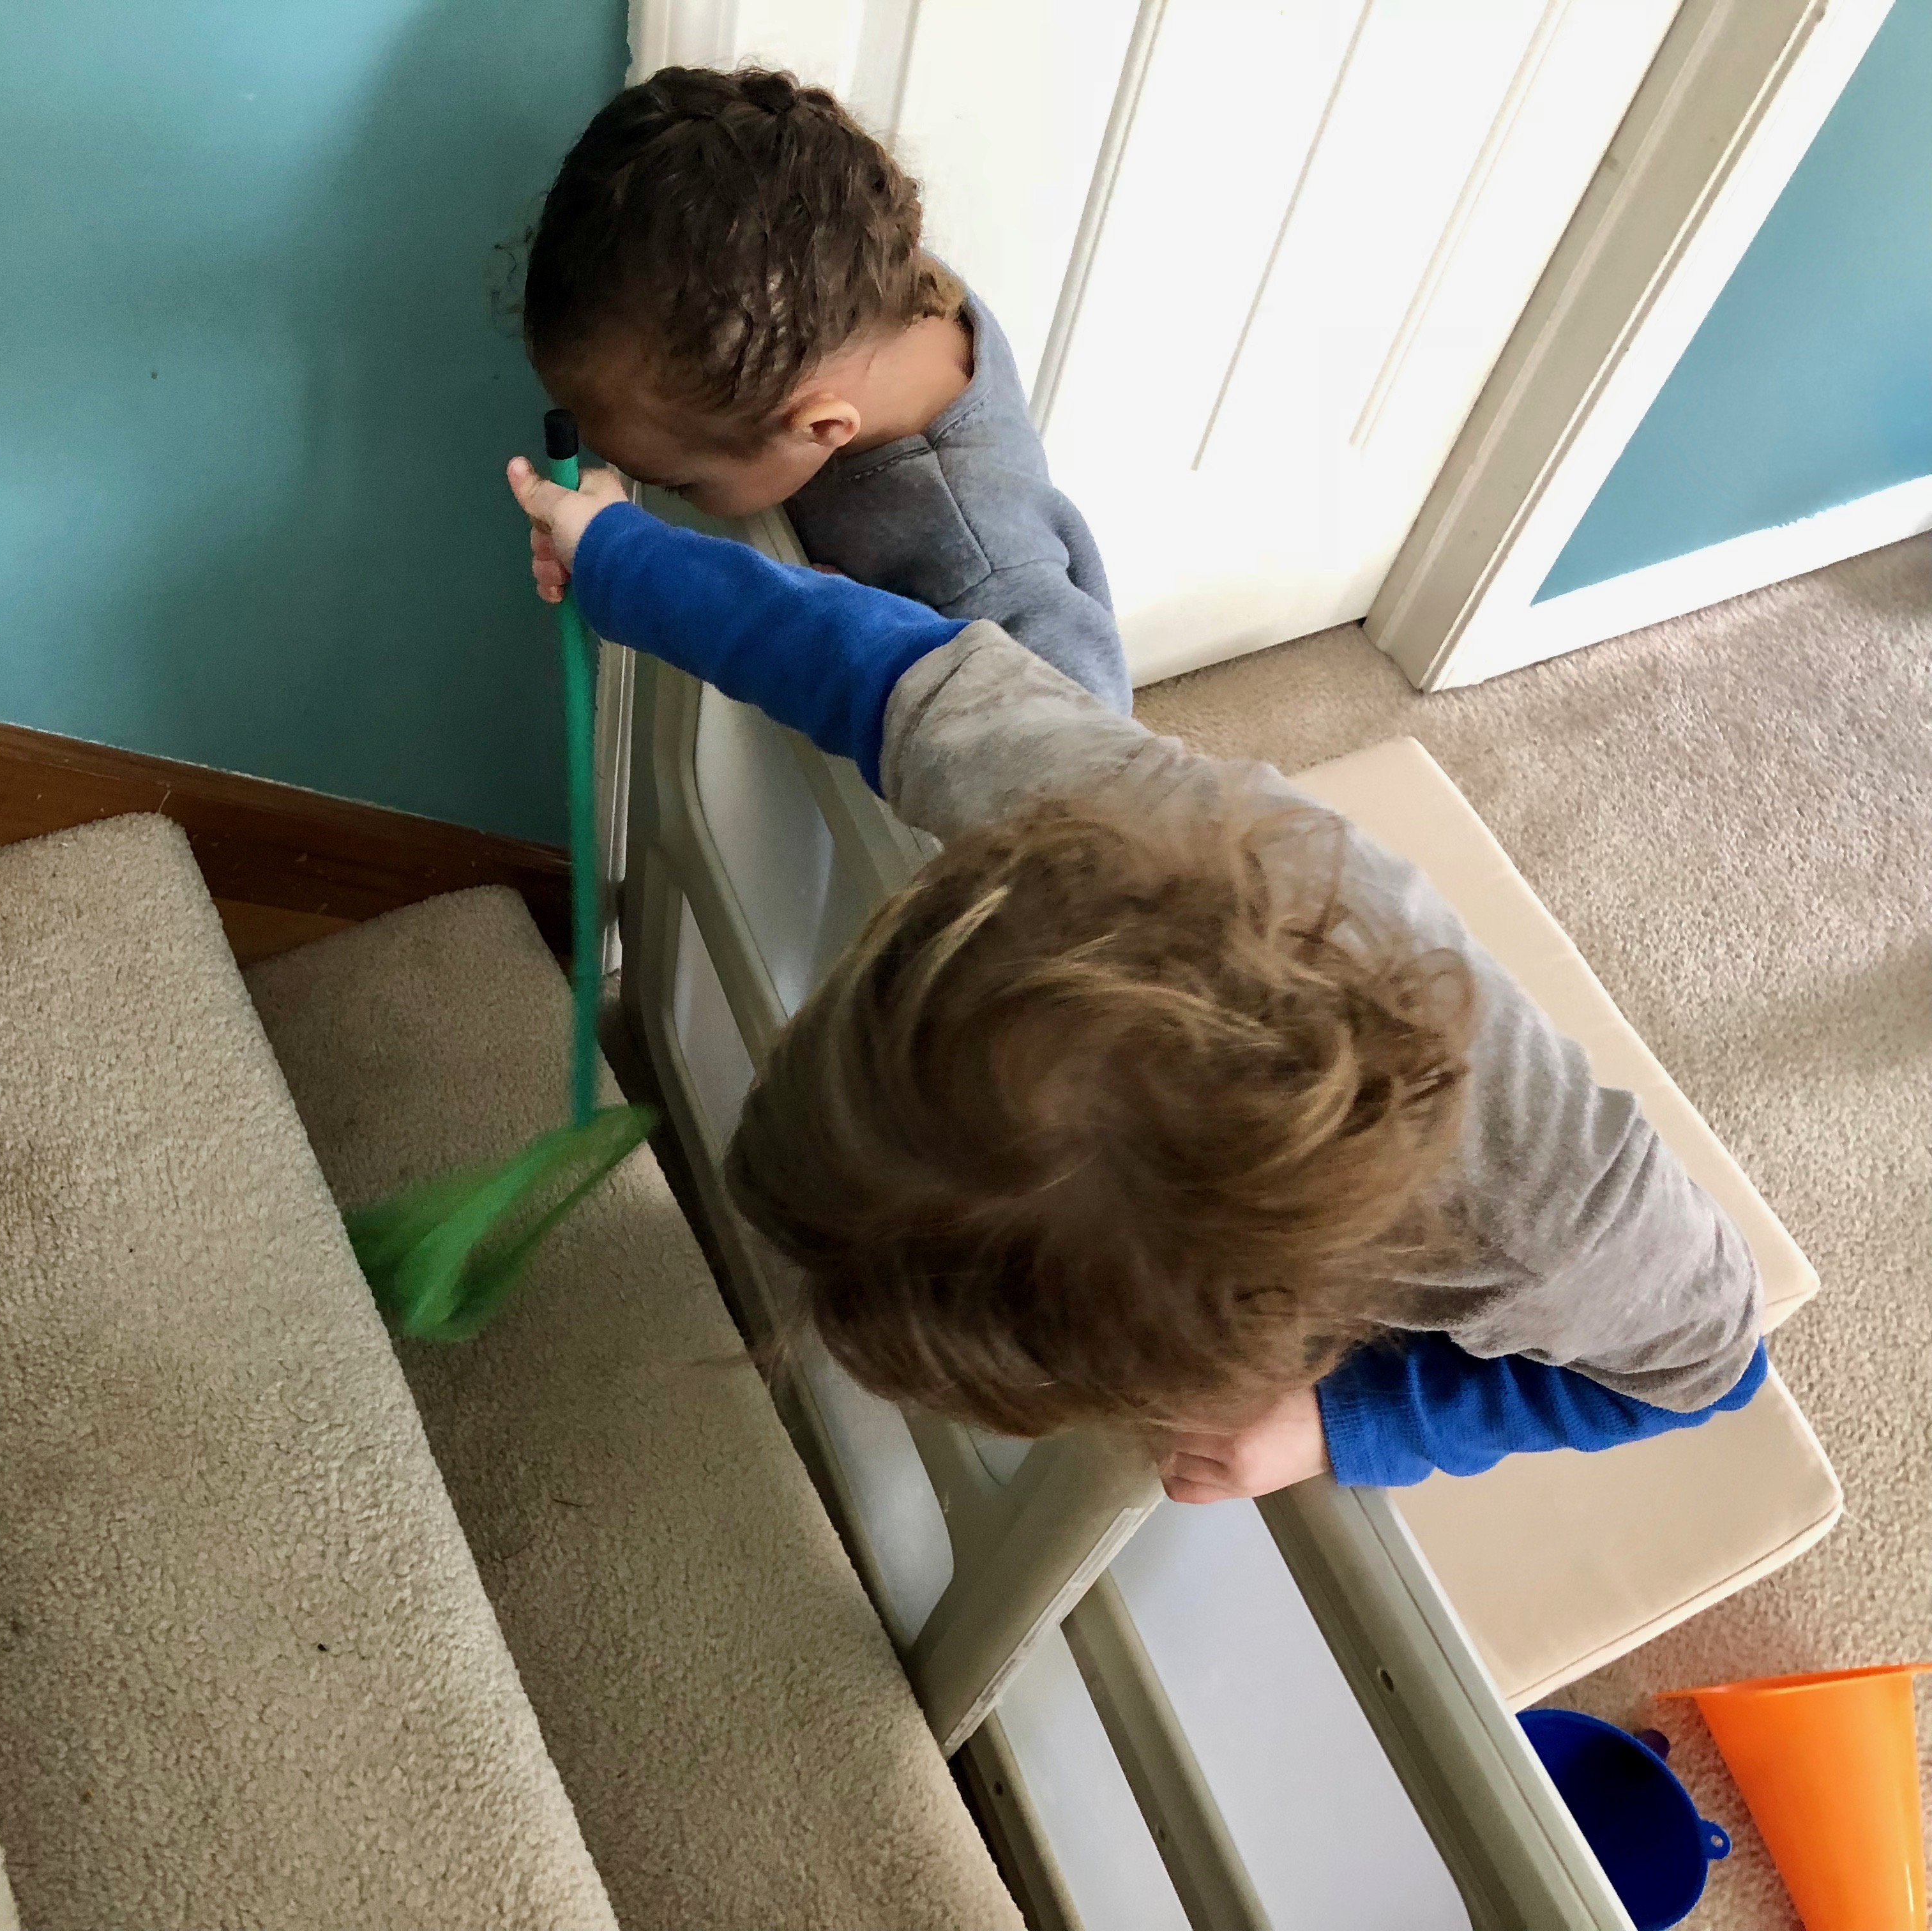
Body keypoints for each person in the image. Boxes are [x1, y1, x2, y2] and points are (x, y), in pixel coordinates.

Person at [502, 456, 1769, 1503]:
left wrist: (1344, 1424)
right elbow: (872, 667)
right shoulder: (1081, 806)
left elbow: (1716, 1368)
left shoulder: (1550, 1230)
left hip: (1521, 1214)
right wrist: (621, 557)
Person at [520, 64, 1129, 713]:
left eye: (680, 484)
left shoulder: (984, 561)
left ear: (819, 429)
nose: (672, 495)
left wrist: (863, 628)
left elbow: (1089, 762)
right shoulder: (868, 290)